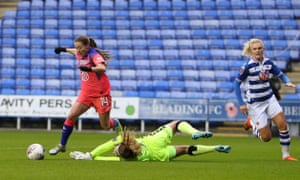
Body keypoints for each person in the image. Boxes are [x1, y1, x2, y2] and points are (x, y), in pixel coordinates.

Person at [49, 35, 122, 155]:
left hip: (101, 94)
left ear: (87, 46)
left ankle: (116, 123)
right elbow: (73, 51)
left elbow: (102, 68)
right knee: (71, 116)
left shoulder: (94, 55)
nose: (78, 50)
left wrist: (90, 69)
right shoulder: (79, 52)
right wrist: (62, 49)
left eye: (80, 48)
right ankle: (62, 145)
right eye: (76, 48)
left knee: (105, 125)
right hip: (86, 94)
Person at [234, 38, 297, 161]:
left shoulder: (268, 63)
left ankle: (286, 155)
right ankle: (251, 123)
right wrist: (241, 104)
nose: (257, 51)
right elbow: (236, 84)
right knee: (266, 138)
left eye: (259, 48)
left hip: (269, 99)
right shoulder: (246, 67)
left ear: (263, 49)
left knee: (283, 125)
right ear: (251, 51)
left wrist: (287, 82)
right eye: (255, 49)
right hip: (255, 104)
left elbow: (280, 74)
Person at [69, 120, 231, 161]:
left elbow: (105, 158)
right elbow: (107, 146)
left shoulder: (127, 159)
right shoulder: (124, 140)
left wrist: (92, 158)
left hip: (158, 156)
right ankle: (195, 132)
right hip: (154, 141)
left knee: (185, 149)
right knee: (177, 124)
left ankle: (215, 147)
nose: (114, 149)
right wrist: (91, 154)